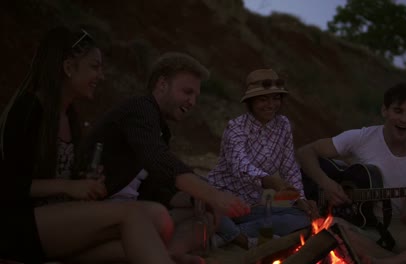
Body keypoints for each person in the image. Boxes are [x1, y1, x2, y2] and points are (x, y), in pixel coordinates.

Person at [0, 27, 180, 264]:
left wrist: (83, 180)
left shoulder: (69, 116)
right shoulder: (30, 109)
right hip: (18, 225)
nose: (101, 75)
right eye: (94, 67)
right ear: (68, 68)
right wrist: (69, 187)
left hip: (55, 222)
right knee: (132, 216)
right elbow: (10, 185)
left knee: (155, 218)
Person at [78, 52, 251, 257]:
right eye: (187, 92)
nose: (192, 102)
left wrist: (194, 198)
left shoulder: (159, 128)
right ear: (162, 84)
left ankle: (166, 255)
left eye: (195, 96)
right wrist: (213, 195)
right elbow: (159, 159)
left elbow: (156, 188)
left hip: (133, 211)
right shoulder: (139, 109)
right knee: (176, 214)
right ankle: (157, 254)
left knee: (205, 217)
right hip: (101, 212)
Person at [298, 82, 406, 263]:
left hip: (398, 227)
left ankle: (394, 260)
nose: (404, 119)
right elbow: (305, 152)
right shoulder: (363, 137)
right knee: (331, 228)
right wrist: (327, 184)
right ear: (384, 111)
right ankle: (396, 257)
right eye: (398, 111)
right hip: (358, 224)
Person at [207, 69, 318, 249]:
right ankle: (238, 236)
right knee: (208, 209)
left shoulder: (283, 125)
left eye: (276, 98)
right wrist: (269, 181)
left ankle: (231, 234)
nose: (271, 105)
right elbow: (240, 166)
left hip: (252, 207)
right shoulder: (236, 127)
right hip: (224, 201)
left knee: (303, 216)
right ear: (250, 102)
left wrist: (300, 200)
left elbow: (290, 168)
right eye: (263, 99)